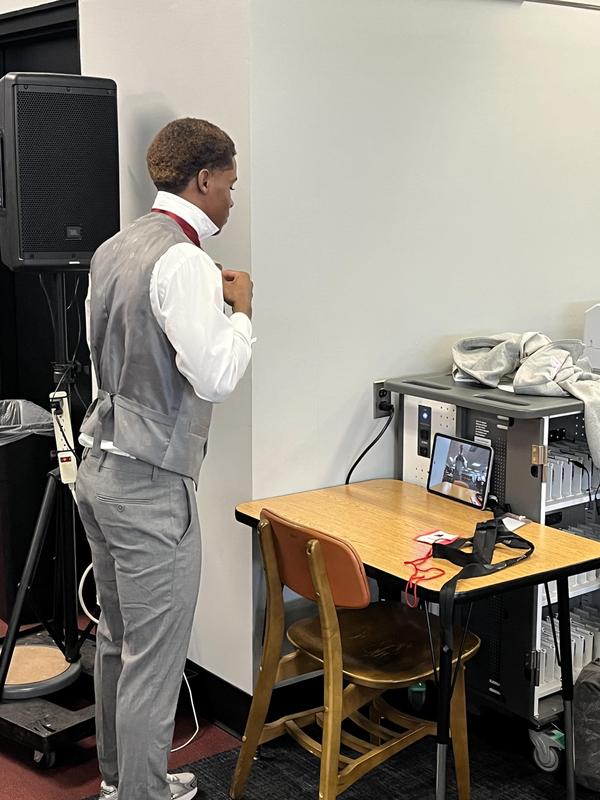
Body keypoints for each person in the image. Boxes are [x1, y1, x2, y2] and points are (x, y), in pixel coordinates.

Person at [76, 118, 253, 800]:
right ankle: (141, 796)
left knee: (120, 641)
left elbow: (108, 360)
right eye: (231, 185)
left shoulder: (114, 248)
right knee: (154, 657)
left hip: (102, 466)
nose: (233, 200)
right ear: (202, 178)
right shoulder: (180, 261)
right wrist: (240, 311)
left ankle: (125, 782)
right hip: (150, 483)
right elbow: (215, 378)